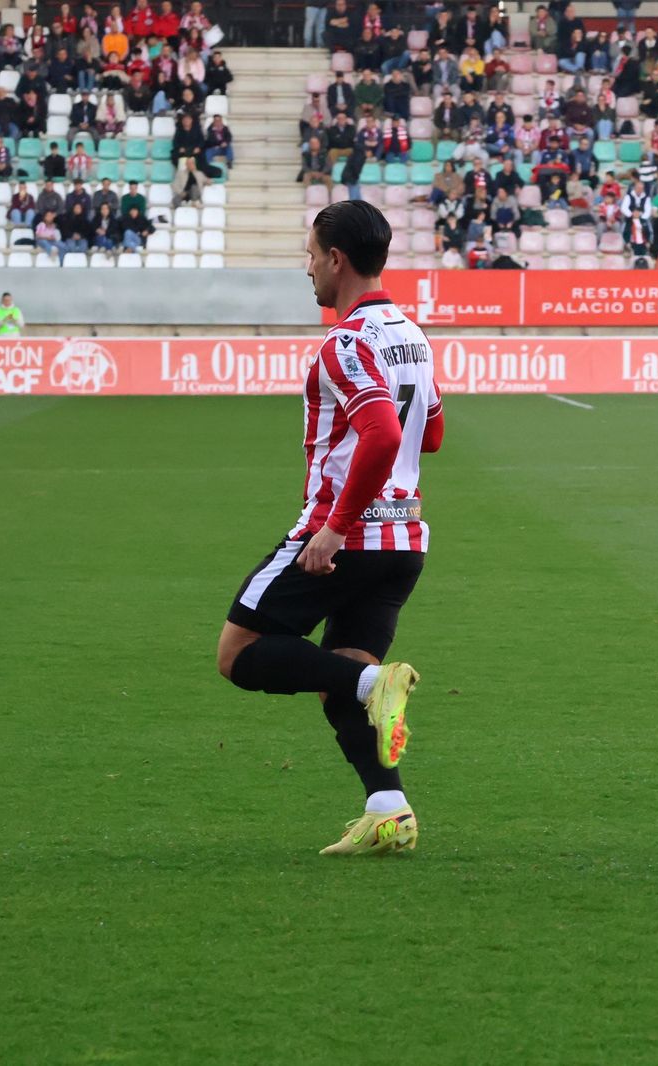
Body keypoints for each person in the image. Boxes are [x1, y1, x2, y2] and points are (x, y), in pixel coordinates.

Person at [216, 199, 444, 857]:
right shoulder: (413, 334)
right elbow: (431, 433)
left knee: (238, 654)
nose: (307, 267)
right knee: (337, 673)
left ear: (337, 260)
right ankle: (389, 809)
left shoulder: (345, 343)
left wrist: (337, 526)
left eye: (312, 255)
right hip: (403, 540)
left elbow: (384, 432)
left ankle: (381, 686)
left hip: (344, 537)